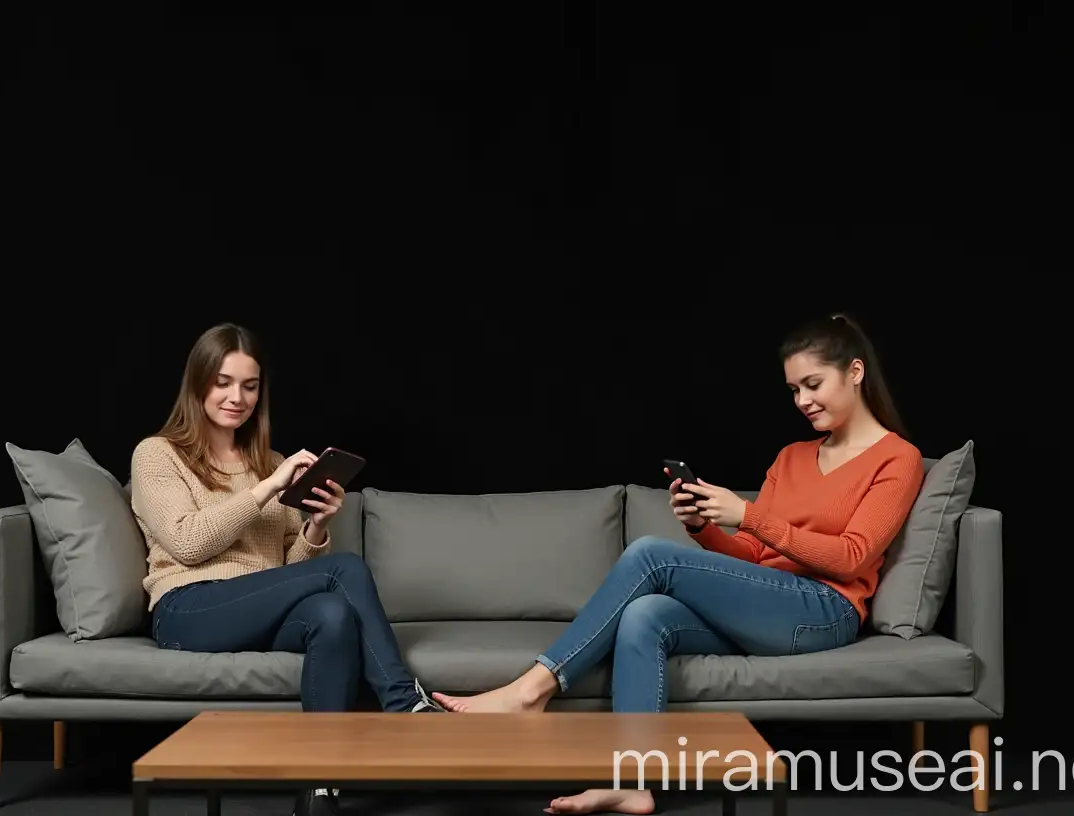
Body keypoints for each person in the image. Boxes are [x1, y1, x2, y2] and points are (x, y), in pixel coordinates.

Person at [432, 313, 926, 816]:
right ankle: (634, 782)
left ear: (856, 372)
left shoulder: (897, 458)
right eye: (794, 389)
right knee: (645, 615)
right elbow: (754, 558)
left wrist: (749, 515)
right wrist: (704, 527)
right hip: (766, 604)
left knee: (650, 554)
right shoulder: (792, 456)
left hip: (826, 610)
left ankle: (530, 689)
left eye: (813, 384)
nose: (802, 401)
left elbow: (851, 556)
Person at [129, 323, 444, 816]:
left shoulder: (267, 460)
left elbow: (285, 569)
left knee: (332, 615)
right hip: (188, 607)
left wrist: (315, 528)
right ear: (197, 385)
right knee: (344, 570)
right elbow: (188, 543)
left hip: (253, 609)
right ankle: (405, 707)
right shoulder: (157, 454)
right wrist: (264, 489)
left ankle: (320, 789)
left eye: (249, 386)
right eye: (224, 382)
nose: (237, 397)